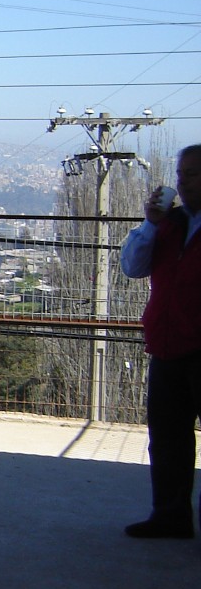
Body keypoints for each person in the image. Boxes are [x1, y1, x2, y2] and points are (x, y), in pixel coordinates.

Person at [119, 144, 201, 540]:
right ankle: (170, 516)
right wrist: (151, 224)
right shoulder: (171, 224)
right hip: (167, 344)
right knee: (167, 439)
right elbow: (133, 267)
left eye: (193, 174)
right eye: (181, 174)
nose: (183, 183)